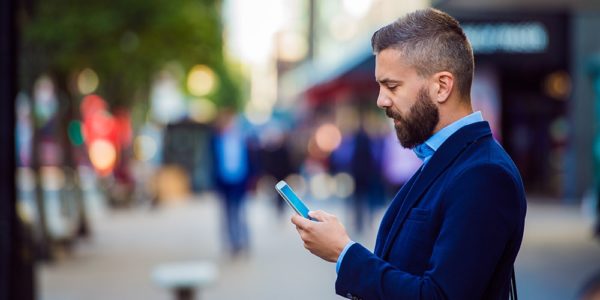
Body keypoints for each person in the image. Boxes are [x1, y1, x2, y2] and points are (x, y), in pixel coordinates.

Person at [291, 8, 527, 299]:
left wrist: (344, 253)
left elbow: (439, 296)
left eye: (392, 86)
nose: (381, 100)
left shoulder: (484, 175)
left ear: (441, 86)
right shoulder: (446, 158)